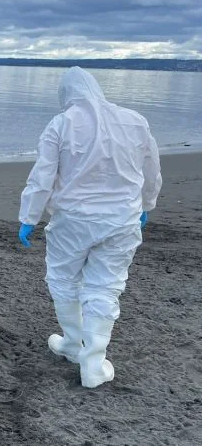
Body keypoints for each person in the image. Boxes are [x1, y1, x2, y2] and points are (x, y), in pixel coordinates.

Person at [17, 66, 162, 388]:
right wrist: (147, 204)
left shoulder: (62, 123)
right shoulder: (135, 120)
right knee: (106, 285)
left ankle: (72, 344)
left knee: (64, 278)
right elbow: (151, 169)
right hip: (122, 218)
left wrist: (29, 218)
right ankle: (93, 361)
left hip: (73, 220)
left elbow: (42, 177)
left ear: (67, 94)